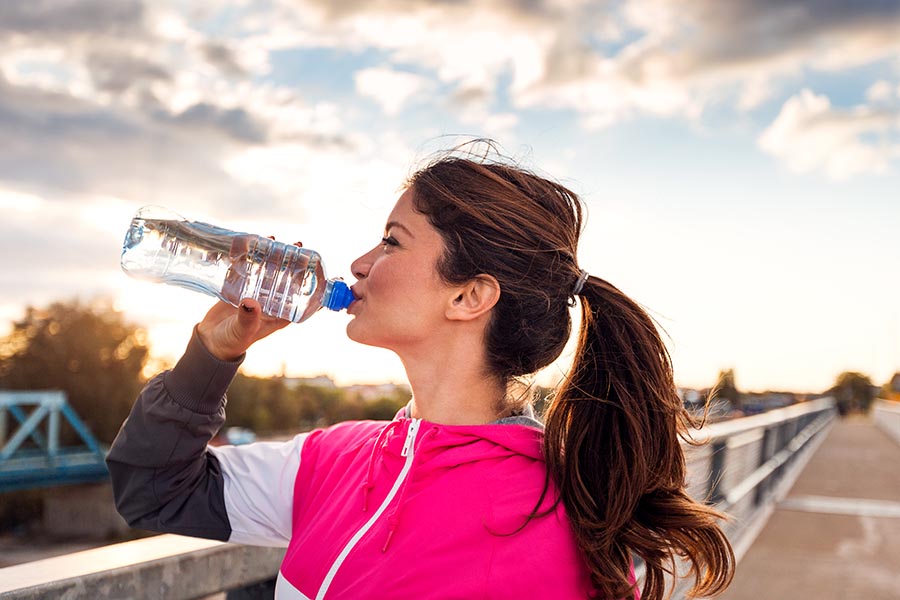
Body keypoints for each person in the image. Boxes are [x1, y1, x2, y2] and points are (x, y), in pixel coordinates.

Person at [108, 145, 735, 600]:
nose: (357, 262)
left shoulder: (570, 520)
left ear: (468, 297)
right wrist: (212, 353)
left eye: (392, 241)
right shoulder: (330, 460)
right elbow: (153, 490)